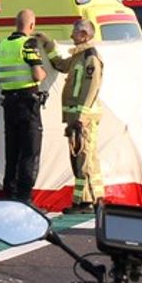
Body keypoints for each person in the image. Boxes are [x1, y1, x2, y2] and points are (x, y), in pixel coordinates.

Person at [40, 20, 104, 213]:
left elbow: (91, 88)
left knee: (85, 158)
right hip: (75, 117)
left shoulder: (90, 57)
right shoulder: (79, 56)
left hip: (82, 118)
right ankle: (82, 200)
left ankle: (90, 201)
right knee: (78, 158)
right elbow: (61, 65)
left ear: (84, 35)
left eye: (74, 33)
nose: (71, 36)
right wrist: (48, 44)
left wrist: (80, 118)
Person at [0, 9, 47, 203]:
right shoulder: (28, 44)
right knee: (30, 151)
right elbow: (38, 75)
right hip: (27, 102)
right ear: (31, 26)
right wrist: (44, 74)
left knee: (12, 150)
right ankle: (25, 197)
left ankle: (10, 194)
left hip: (9, 103)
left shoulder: (3, 45)